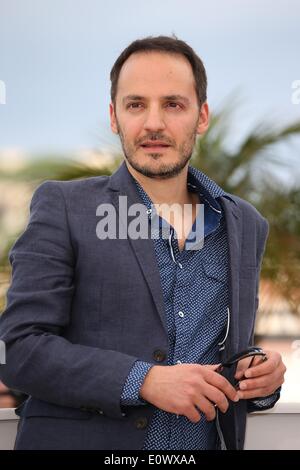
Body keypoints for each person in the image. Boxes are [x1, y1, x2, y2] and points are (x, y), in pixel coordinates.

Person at [0, 35, 286, 450]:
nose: (154, 123)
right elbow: (19, 348)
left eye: (173, 104)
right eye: (136, 105)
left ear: (201, 116)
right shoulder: (64, 206)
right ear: (114, 117)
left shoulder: (244, 223)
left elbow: (229, 351)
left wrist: (259, 375)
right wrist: (145, 381)